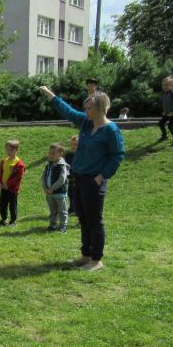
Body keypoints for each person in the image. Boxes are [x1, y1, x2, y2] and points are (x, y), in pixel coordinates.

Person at [38, 86, 126, 271]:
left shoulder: (111, 130)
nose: (85, 111)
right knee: (83, 219)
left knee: (94, 220)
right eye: (85, 108)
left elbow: (117, 156)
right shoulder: (87, 123)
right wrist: (51, 95)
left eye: (89, 108)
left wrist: (101, 177)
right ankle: (85, 256)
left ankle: (96, 260)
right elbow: (68, 112)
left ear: (100, 108)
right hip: (78, 178)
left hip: (94, 181)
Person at [0, 140, 26, 227]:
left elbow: (18, 177)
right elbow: (0, 173)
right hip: (3, 188)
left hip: (12, 189)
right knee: (2, 205)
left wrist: (8, 184)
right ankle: (3, 220)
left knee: (12, 206)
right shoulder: (4, 161)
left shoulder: (19, 164)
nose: (9, 152)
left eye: (11, 150)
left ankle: (13, 221)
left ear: (17, 150)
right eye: (7, 149)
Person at [42, 143, 69, 232]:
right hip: (49, 193)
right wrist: (45, 188)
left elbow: (62, 179)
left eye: (53, 153)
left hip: (60, 193)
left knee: (62, 210)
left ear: (60, 153)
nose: (51, 155)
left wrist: (52, 189)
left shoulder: (62, 165)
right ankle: (52, 225)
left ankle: (62, 226)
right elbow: (43, 177)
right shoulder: (48, 165)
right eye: (49, 153)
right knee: (53, 211)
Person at [158, 75, 173, 147]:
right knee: (161, 123)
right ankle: (165, 136)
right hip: (168, 113)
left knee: (170, 126)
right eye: (163, 85)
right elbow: (167, 103)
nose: (164, 87)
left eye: (166, 85)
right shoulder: (165, 93)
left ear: (172, 85)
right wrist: (165, 111)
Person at [64, 135, 78, 215]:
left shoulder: (82, 155)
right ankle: (72, 208)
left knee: (78, 195)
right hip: (71, 179)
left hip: (80, 179)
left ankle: (79, 209)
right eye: (72, 144)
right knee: (70, 193)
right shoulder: (68, 155)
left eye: (75, 145)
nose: (73, 146)